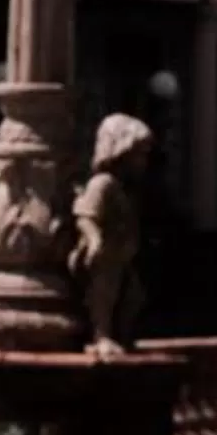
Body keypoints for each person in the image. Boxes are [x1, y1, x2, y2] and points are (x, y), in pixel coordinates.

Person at [77, 112, 155, 356]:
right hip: (105, 260)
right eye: (138, 154)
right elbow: (85, 214)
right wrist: (94, 240)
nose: (143, 162)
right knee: (104, 295)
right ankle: (101, 334)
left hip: (121, 257)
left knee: (133, 297)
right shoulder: (103, 184)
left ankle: (121, 335)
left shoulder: (125, 189)